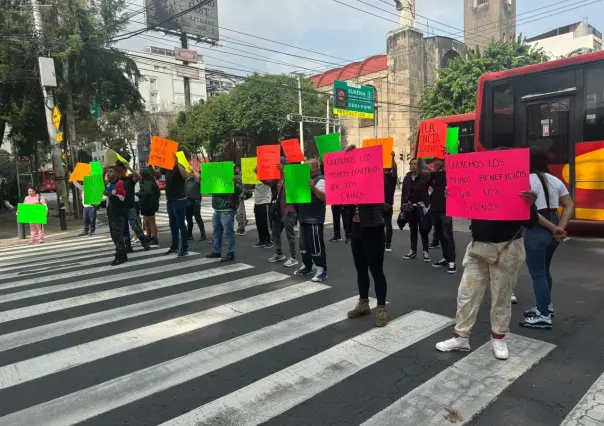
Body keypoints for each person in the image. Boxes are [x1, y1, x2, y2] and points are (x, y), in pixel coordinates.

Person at [436, 189, 539, 360]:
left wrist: (531, 204)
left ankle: (499, 338)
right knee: (467, 293)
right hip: (479, 247)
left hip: (508, 248)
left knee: (501, 296)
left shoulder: (516, 186)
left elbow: (531, 223)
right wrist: (454, 197)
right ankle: (461, 337)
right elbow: (465, 210)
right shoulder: (479, 183)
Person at [519, 146, 574, 330]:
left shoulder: (523, 180)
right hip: (553, 222)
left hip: (537, 228)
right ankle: (545, 306)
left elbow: (531, 212)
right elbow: (568, 204)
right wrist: (559, 227)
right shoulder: (555, 180)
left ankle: (543, 315)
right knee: (545, 269)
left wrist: (552, 228)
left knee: (538, 273)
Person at [344, 146, 390, 327]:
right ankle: (363, 303)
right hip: (356, 229)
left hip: (373, 228)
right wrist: (346, 158)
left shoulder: (374, 177)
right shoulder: (349, 181)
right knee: (360, 269)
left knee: (376, 270)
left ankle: (381, 308)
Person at [152, 155, 195, 257]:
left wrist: (177, 162)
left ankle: (184, 248)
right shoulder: (166, 168)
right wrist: (150, 164)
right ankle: (174, 246)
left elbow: (185, 175)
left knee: (181, 224)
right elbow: (154, 173)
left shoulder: (179, 167)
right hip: (170, 200)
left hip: (179, 200)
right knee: (173, 225)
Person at [420, 157, 457, 273]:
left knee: (448, 236)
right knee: (440, 235)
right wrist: (419, 155)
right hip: (434, 209)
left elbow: (454, 168)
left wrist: (450, 155)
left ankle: (452, 262)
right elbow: (422, 169)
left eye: (439, 160)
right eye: (435, 160)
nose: (436, 162)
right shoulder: (433, 175)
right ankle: (445, 258)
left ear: (444, 162)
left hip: (446, 210)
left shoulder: (449, 174)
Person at [294, 158, 327, 282]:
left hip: (314, 218)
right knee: (303, 246)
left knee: (316, 245)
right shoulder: (304, 179)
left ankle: (321, 270)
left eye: (306, 166)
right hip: (303, 217)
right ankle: (307, 266)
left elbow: (324, 198)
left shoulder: (320, 180)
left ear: (314, 167)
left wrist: (313, 187)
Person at [263, 160, 299, 267]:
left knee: (290, 234)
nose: (278, 166)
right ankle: (279, 253)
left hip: (289, 210)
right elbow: (269, 182)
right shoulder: (278, 177)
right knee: (275, 232)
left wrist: (284, 171)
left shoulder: (292, 175)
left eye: (280, 165)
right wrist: (258, 174)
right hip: (279, 210)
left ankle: (293, 257)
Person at [205, 166, 243, 262]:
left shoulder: (233, 178)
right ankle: (217, 251)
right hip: (217, 209)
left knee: (228, 232)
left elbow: (239, 191)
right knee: (217, 231)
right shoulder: (215, 179)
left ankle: (230, 253)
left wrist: (234, 184)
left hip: (227, 209)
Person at [400, 158, 431, 262]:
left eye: (415, 164)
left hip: (421, 208)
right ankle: (413, 251)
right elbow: (404, 193)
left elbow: (432, 188)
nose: (413, 166)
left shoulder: (424, 176)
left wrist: (427, 202)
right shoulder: (407, 177)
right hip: (410, 208)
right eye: (411, 164)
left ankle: (425, 251)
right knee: (413, 229)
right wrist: (402, 209)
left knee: (423, 230)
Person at [115, 162, 150, 252]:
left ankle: (144, 242)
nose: (119, 173)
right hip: (120, 208)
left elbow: (138, 177)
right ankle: (128, 246)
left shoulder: (129, 179)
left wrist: (129, 167)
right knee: (124, 229)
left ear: (124, 171)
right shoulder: (115, 182)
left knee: (135, 226)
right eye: (117, 171)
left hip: (130, 206)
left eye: (121, 171)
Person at [104, 166, 128, 266]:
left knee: (118, 235)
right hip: (111, 214)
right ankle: (123, 254)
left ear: (117, 174)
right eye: (108, 171)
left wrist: (110, 195)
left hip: (119, 214)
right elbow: (108, 201)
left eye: (111, 171)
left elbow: (122, 198)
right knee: (114, 235)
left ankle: (119, 256)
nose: (109, 173)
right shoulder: (109, 185)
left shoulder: (121, 184)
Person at [137, 170, 161, 245]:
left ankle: (153, 237)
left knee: (150, 221)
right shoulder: (152, 182)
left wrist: (139, 194)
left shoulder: (146, 183)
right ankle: (150, 236)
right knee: (147, 221)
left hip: (148, 204)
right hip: (150, 204)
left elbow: (147, 193)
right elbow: (157, 194)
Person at [185, 175, 206, 241]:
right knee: (188, 219)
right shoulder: (187, 181)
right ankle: (189, 235)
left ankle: (203, 235)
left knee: (198, 218)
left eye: (192, 172)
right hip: (187, 201)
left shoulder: (197, 181)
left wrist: (199, 179)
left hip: (195, 202)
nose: (190, 174)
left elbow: (202, 185)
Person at [384, 151, 398, 252]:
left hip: (387, 205)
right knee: (379, 225)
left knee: (388, 225)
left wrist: (392, 158)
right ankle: (383, 242)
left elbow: (395, 170)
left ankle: (388, 243)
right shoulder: (377, 177)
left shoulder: (392, 177)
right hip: (378, 204)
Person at [253, 181, 273, 248]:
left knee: (266, 223)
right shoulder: (254, 179)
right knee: (259, 223)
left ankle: (269, 240)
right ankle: (262, 240)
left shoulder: (267, 178)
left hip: (265, 202)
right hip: (257, 203)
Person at [234, 165, 249, 236]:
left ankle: (241, 229)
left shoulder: (238, 177)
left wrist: (242, 194)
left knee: (240, 213)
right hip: (235, 197)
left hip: (239, 197)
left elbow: (242, 187)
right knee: (239, 213)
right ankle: (242, 224)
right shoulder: (237, 176)